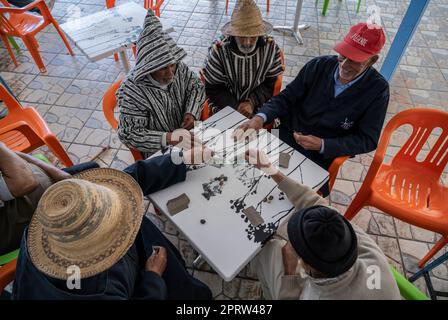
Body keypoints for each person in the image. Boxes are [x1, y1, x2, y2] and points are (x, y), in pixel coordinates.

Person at [12, 148, 214, 300]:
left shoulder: (51, 227)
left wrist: (182, 160)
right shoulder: (103, 288)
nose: (125, 207)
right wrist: (153, 277)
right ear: (106, 246)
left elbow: (126, 181)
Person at [235, 22, 389, 196]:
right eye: (343, 55)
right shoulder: (319, 65)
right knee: (245, 176)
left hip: (320, 157)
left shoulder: (378, 90)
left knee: (293, 199)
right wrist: (260, 117)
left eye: (354, 60)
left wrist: (324, 145)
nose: (344, 65)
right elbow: (287, 97)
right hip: (285, 136)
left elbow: (367, 139)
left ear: (372, 60)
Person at [246, 149, 401, 300]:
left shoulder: (314, 295)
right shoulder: (369, 251)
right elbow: (316, 203)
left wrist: (290, 272)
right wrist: (271, 170)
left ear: (305, 266)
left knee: (267, 250)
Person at [117, 10, 205, 158]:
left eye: (172, 66)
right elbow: (129, 133)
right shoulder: (132, 91)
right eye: (163, 68)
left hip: (188, 138)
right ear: (148, 68)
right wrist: (168, 138)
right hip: (160, 152)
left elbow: (196, 86)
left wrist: (191, 112)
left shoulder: (179, 68)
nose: (171, 73)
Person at [0, 142, 98, 255]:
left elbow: (13, 155)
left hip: (49, 181)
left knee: (93, 167)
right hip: (35, 219)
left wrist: (55, 172)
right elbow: (27, 183)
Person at [202, 0, 284, 118]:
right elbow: (213, 88)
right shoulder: (219, 51)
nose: (247, 42)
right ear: (233, 33)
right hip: (225, 103)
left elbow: (270, 83)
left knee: (262, 128)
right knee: (222, 133)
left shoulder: (270, 48)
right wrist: (236, 106)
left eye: (252, 36)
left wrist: (252, 102)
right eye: (241, 36)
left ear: (260, 33)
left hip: (258, 101)